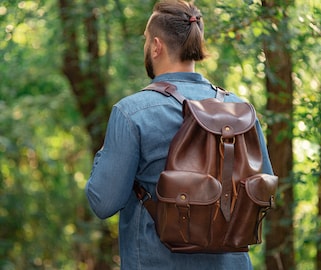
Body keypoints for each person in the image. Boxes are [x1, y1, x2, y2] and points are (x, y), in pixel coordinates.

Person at [86, 0, 274, 269]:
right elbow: (262, 193)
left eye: (146, 40)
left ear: (156, 46)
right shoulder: (241, 112)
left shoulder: (132, 112)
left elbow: (102, 202)